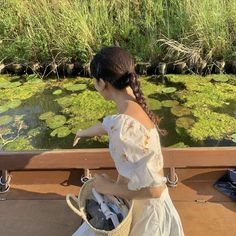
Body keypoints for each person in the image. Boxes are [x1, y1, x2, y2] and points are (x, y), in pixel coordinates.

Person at [73, 46, 185, 236]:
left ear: (101, 83)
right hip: (145, 203)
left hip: (148, 216)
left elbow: (156, 190)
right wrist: (82, 132)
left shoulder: (123, 128)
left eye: (93, 79)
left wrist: (108, 187)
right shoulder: (133, 106)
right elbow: (106, 125)